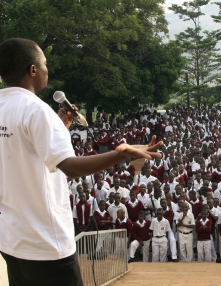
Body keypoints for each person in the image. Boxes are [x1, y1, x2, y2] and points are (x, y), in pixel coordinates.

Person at [0, 38, 162, 284]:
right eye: (44, 64)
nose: (47, 70)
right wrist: (122, 153)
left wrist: (60, 129)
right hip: (45, 242)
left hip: (11, 239)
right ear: (32, 70)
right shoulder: (37, 111)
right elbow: (71, 168)